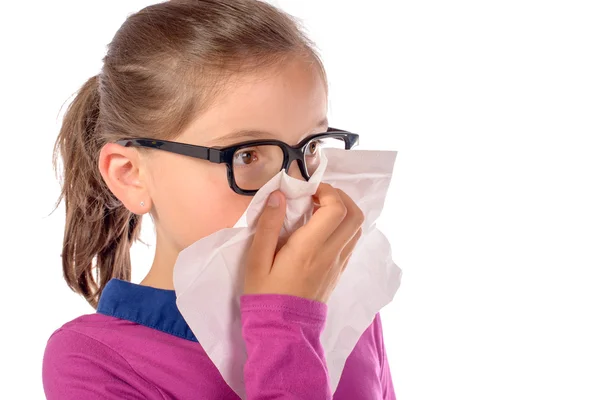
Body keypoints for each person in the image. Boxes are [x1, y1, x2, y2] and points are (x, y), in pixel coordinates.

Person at [42, 0, 395, 398]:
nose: (295, 188)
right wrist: (285, 322)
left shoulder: (340, 301)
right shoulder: (93, 362)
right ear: (131, 175)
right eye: (247, 155)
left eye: (310, 147)